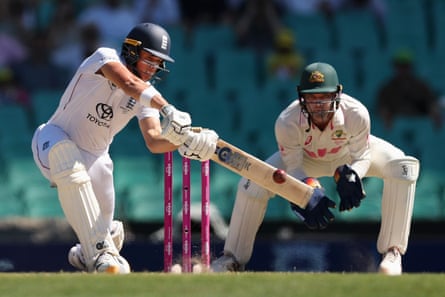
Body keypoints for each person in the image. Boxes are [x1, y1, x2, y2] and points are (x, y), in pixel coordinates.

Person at [31, 23, 219, 274]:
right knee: (68, 161)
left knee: (109, 233)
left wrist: (186, 140)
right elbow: (129, 83)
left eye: (158, 63)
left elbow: (153, 140)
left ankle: (84, 253)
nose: (153, 68)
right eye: (149, 60)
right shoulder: (104, 57)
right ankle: (97, 251)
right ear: (131, 51)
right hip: (52, 139)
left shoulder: (146, 96)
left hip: (97, 158)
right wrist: (167, 108)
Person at [211, 62, 419, 275]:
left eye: (324, 97)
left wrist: (353, 174)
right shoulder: (287, 121)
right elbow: (293, 165)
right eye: (312, 98)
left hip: (346, 155)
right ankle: (232, 260)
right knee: (251, 183)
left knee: (403, 166)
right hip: (306, 158)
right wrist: (306, 189)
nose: (319, 105)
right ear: (302, 97)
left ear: (338, 94)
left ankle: (393, 254)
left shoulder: (356, 113)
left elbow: (363, 156)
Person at [376, 49, 442, 130]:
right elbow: (381, 107)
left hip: (421, 127)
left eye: (405, 66)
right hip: (397, 129)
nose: (403, 70)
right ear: (395, 67)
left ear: (411, 67)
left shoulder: (421, 86)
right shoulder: (387, 88)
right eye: (400, 66)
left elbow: (432, 104)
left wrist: (435, 117)